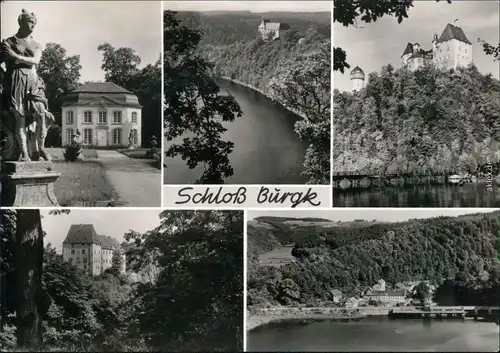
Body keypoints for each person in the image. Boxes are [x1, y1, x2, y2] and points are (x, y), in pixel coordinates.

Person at [1, 9, 43, 161]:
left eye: (34, 23)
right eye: (30, 22)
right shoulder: (8, 42)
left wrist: (16, 56)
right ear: (22, 22)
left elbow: (36, 61)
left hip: (32, 82)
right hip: (15, 81)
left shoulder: (36, 43)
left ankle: (39, 149)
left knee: (40, 114)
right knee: (20, 119)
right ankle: (25, 154)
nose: (33, 26)